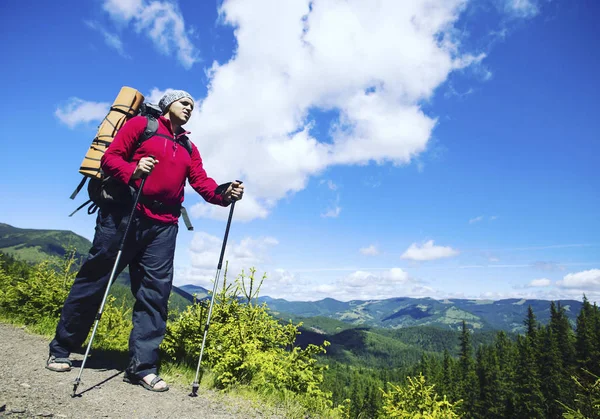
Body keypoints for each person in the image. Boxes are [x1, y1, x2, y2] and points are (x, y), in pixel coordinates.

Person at [46, 90, 244, 392]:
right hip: (125, 216)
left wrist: (225, 193)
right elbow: (111, 157)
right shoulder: (142, 126)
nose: (190, 107)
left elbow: (202, 183)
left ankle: (142, 367)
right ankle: (62, 348)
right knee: (95, 279)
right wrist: (133, 170)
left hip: (164, 227)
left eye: (193, 105)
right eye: (184, 102)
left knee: (155, 294)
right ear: (167, 105)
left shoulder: (189, 147)